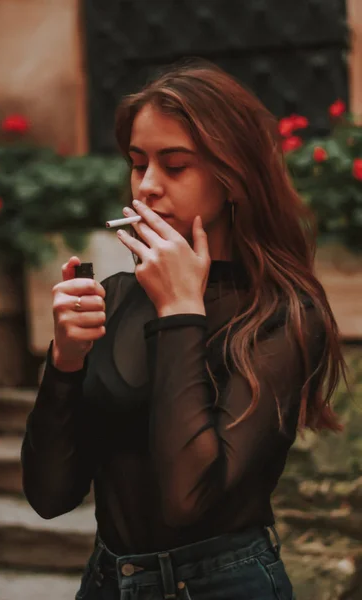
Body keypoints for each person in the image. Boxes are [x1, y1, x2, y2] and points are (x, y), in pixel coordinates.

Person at [21, 58, 346, 600]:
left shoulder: (282, 314)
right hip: (108, 582)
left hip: (225, 584)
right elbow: (50, 495)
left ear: (233, 175)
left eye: (175, 165)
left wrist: (179, 312)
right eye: (137, 163)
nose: (147, 187)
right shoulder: (121, 297)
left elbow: (187, 499)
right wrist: (65, 363)